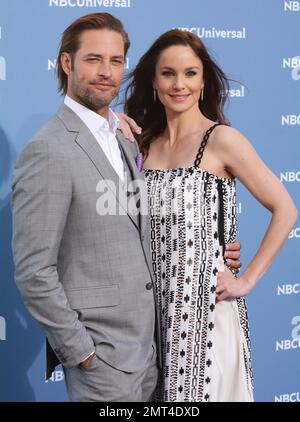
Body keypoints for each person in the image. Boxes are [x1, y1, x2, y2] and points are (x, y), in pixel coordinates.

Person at [11, 13, 241, 402]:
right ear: (67, 63)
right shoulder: (48, 149)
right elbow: (34, 270)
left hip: (155, 350)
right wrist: (81, 353)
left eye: (116, 61)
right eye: (93, 60)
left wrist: (213, 247)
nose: (106, 72)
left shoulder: (126, 137)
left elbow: (139, 223)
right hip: (102, 360)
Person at [124, 29, 298, 402]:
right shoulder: (141, 144)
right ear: (153, 81)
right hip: (151, 315)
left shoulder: (222, 140)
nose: (178, 84)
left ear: (203, 81)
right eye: (168, 73)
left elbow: (285, 209)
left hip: (205, 313)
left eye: (190, 73)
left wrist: (246, 279)